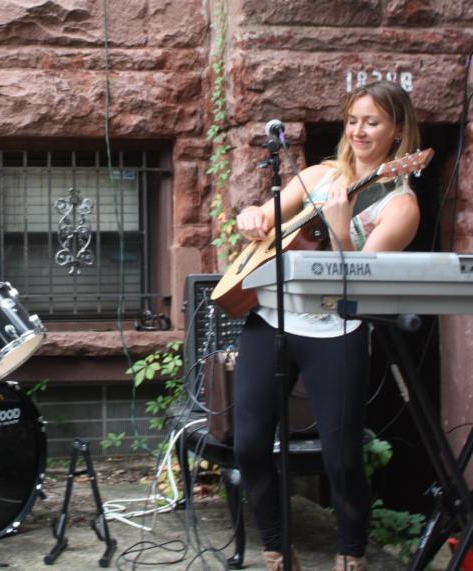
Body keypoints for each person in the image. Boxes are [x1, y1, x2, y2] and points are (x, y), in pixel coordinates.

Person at [232, 81, 421, 571]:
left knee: (341, 457)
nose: (359, 131)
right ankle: (277, 547)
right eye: (353, 120)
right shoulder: (317, 175)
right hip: (270, 317)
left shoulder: (400, 206)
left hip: (335, 332)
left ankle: (350, 554)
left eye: (373, 122)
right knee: (249, 445)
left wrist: (340, 229)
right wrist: (250, 216)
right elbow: (265, 217)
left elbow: (356, 281)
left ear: (397, 131)